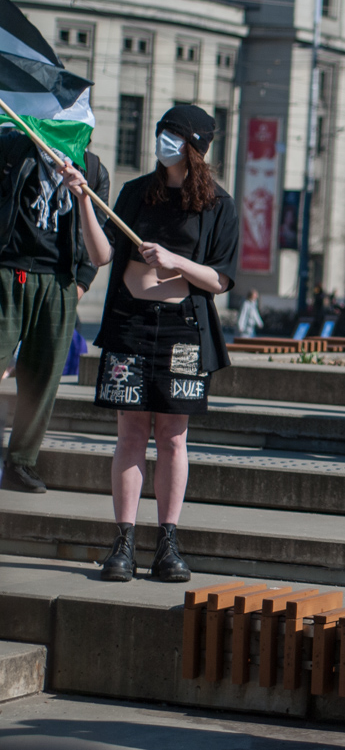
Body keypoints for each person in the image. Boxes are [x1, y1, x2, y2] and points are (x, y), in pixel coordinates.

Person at [66, 105, 239, 582]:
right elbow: (102, 255)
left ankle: (167, 541)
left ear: (196, 147)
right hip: (130, 324)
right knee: (129, 434)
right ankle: (122, 541)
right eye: (162, 133)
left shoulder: (218, 205)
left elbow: (220, 280)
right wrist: (83, 201)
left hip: (184, 329)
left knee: (173, 437)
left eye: (175, 136)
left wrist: (174, 260)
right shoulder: (135, 193)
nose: (164, 142)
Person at [0, 134, 109, 493]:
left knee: (43, 377)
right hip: (9, 271)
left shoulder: (92, 170)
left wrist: (80, 286)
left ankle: (21, 462)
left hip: (60, 282)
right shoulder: (14, 147)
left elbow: (100, 247)